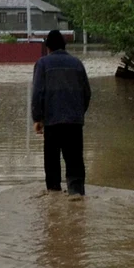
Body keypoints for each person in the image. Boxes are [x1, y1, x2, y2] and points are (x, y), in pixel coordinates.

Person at [31, 30, 91, 197]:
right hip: (74, 122)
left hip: (52, 122)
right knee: (75, 161)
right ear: (65, 46)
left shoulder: (42, 64)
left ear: (48, 47)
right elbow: (87, 93)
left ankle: (54, 195)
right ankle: (76, 193)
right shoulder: (77, 63)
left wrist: (37, 118)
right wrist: (78, 113)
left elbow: (37, 93)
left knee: (52, 162)